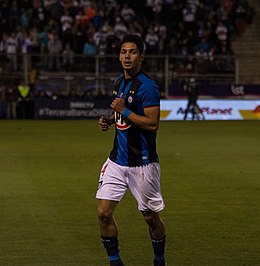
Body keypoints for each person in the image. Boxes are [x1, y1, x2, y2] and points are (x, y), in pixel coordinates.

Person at [96, 34, 166, 266]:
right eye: (124, 52)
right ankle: (115, 263)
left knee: (150, 218)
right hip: (117, 160)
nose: (127, 56)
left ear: (141, 56)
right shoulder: (119, 82)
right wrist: (110, 119)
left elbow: (152, 124)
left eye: (133, 52)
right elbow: (123, 116)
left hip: (142, 164)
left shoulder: (148, 87)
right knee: (103, 213)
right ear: (119, 56)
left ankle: (159, 260)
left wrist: (124, 111)